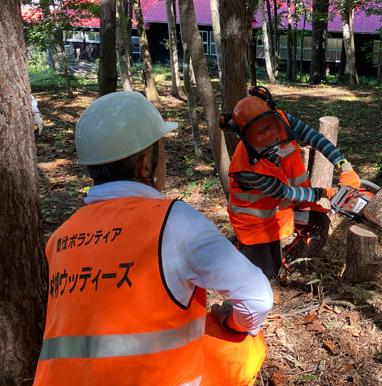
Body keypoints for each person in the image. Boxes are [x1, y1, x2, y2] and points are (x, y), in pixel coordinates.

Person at [34, 91, 273, 386]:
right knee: (245, 338)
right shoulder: (175, 221)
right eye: (162, 150)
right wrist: (232, 322)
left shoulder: (59, 238)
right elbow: (258, 297)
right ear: (146, 164)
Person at [220, 86, 361, 280]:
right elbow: (285, 192)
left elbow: (316, 138)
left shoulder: (283, 120)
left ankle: (290, 269)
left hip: (283, 209)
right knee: (263, 276)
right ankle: (235, 247)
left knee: (318, 224)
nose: (270, 139)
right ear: (243, 135)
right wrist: (326, 192)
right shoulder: (245, 168)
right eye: (261, 137)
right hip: (255, 223)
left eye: (272, 130)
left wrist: (343, 165)